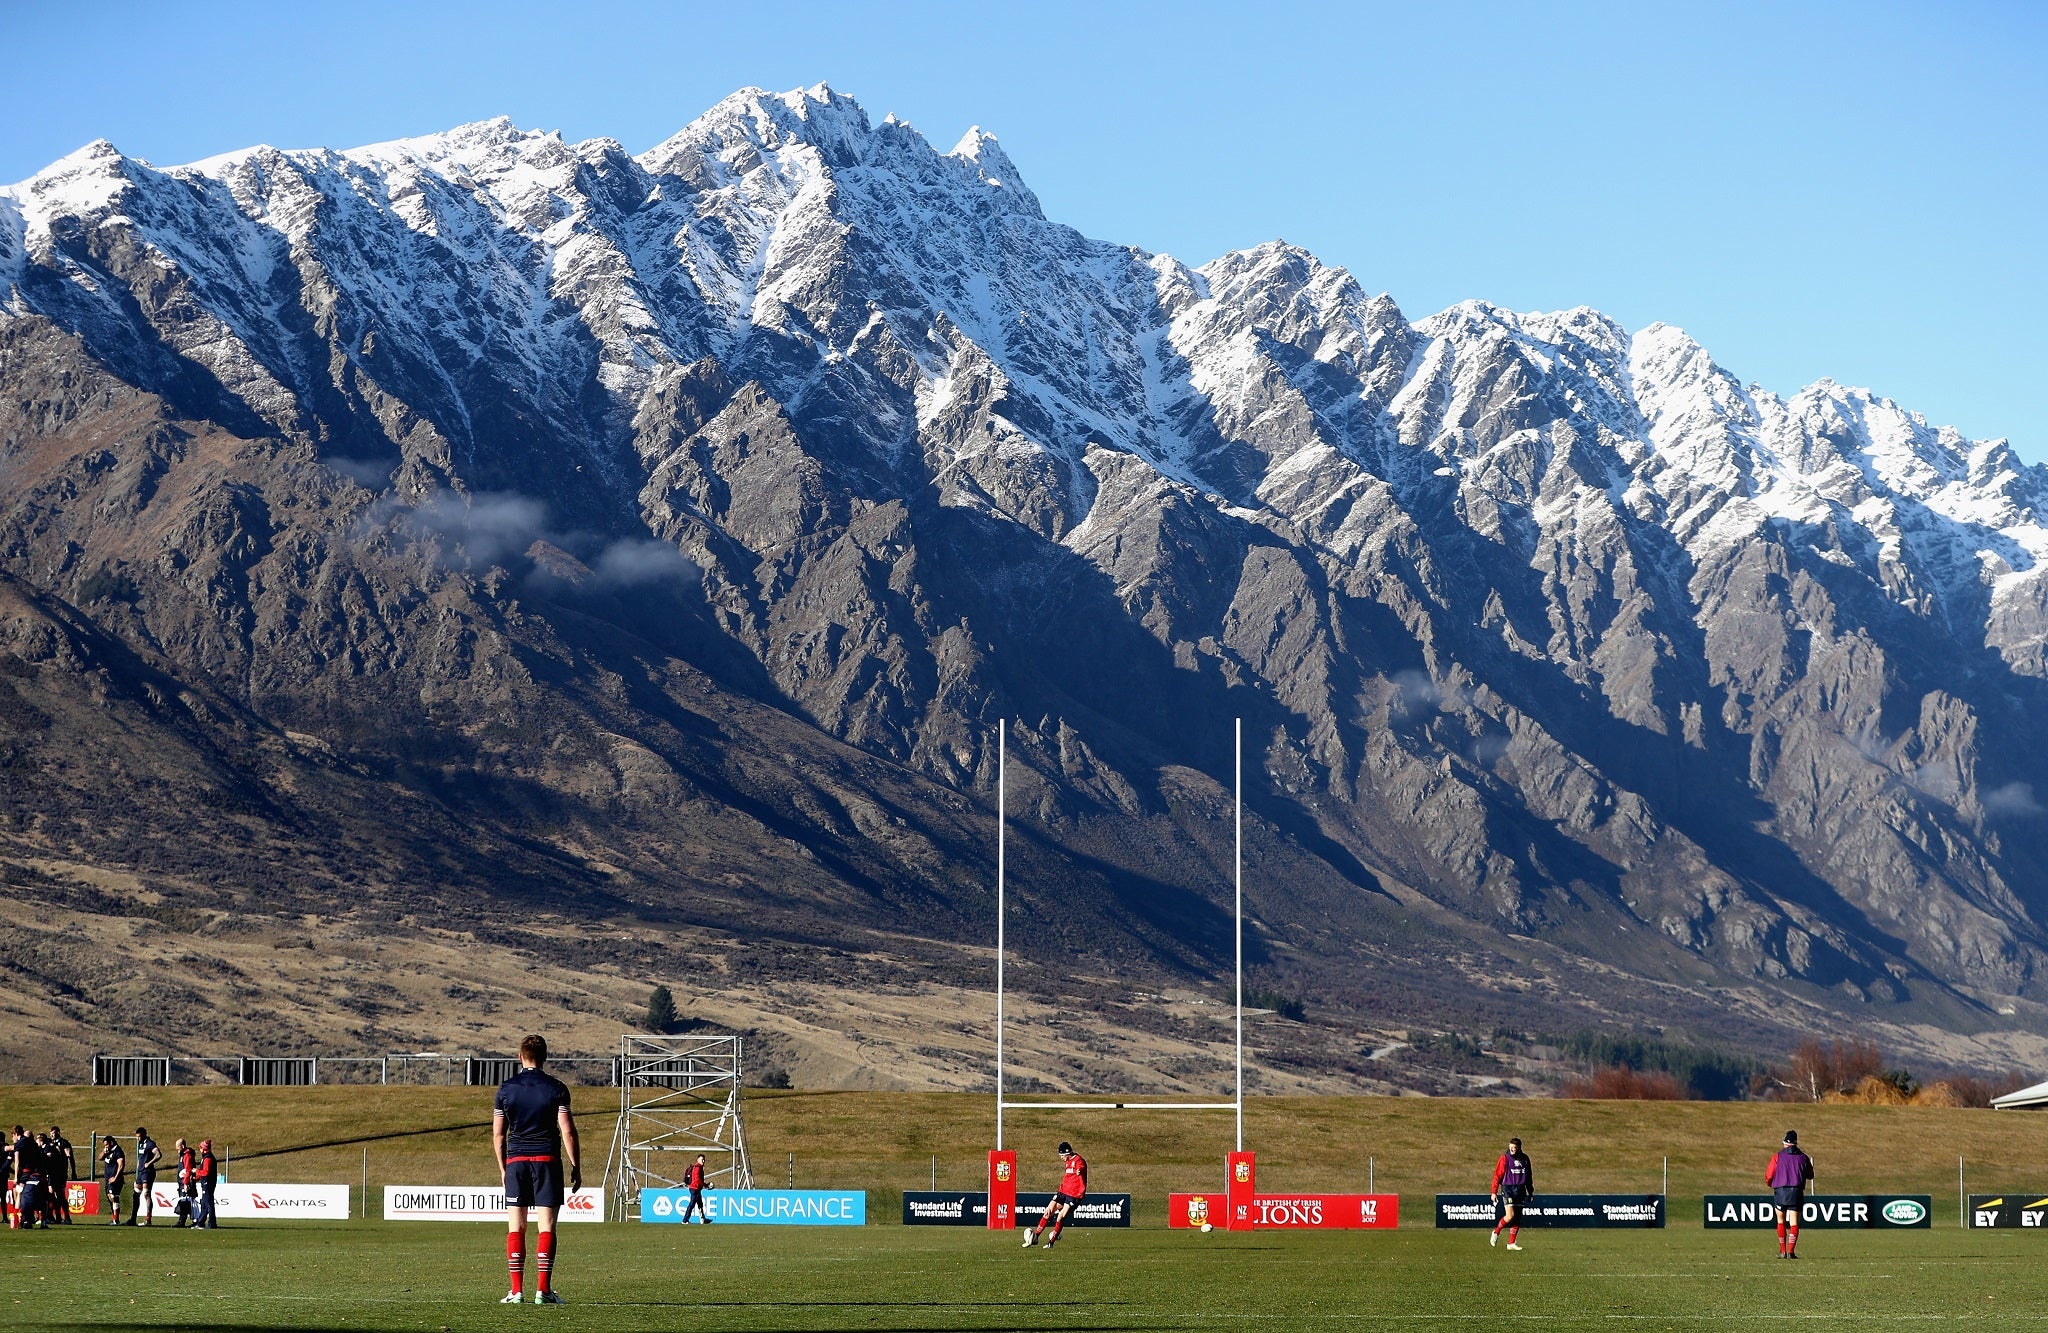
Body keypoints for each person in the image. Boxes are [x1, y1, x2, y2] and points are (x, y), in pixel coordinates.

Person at [493, 1034, 581, 1305]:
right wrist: (576, 1166)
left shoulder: (506, 1089)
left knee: (516, 1228)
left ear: (520, 1057)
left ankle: (516, 1292)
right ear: (545, 1058)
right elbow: (567, 1131)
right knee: (547, 1227)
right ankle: (543, 1291)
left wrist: (503, 1168)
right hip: (547, 1161)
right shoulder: (556, 1088)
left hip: (516, 1161)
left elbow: (498, 1135)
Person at [1021, 1141, 1087, 1251]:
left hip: (1074, 1195)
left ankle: (1051, 1243)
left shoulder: (1078, 1161)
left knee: (1061, 1216)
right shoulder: (1067, 1162)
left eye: (1062, 1155)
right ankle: (1036, 1237)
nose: (1061, 1158)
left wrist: (1079, 1171)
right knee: (1048, 1211)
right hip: (1063, 1191)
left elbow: (1081, 1167)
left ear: (1067, 1153)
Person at [1765, 1130, 1815, 1259]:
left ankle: (1783, 1251)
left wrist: (1770, 1183)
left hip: (1780, 1191)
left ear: (1785, 1143)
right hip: (1796, 1192)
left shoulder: (1778, 1156)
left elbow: (1769, 1174)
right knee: (1794, 1223)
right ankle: (1791, 1251)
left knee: (1780, 1220)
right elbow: (1811, 1175)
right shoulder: (1803, 1157)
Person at [1490, 1136, 1534, 1251]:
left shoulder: (1525, 1159)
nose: (1512, 1149)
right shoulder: (1504, 1159)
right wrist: (1494, 1192)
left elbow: (1529, 1176)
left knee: (1517, 1217)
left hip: (1520, 1189)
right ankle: (1496, 1232)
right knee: (1510, 1216)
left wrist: (1530, 1191)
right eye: (1511, 1147)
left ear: (1519, 1148)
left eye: (1514, 1147)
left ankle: (1511, 1243)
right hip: (1508, 1188)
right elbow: (1497, 1176)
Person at [130, 1127, 161, 1225]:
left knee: (146, 1194)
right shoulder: (141, 1144)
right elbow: (140, 1157)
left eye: (139, 1137)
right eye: (136, 1137)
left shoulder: (150, 1143)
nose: (137, 1139)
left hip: (148, 1172)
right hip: (141, 1172)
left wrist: (149, 1163)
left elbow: (158, 1154)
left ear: (144, 1135)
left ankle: (148, 1219)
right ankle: (133, 1219)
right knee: (136, 1194)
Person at [47, 1127, 74, 1224]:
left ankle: (67, 1217)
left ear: (58, 1132)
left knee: (60, 1195)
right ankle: (55, 1217)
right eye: (51, 1133)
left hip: (60, 1174)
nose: (52, 1134)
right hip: (51, 1173)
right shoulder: (49, 1142)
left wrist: (73, 1171)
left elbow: (70, 1157)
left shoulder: (64, 1143)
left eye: (54, 1133)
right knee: (51, 1195)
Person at [192, 1138, 219, 1230]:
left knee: (207, 1203)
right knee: (205, 1203)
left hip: (208, 1183)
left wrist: (196, 1171)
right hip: (207, 1182)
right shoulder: (207, 1157)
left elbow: (206, 1172)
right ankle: (202, 1222)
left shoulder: (207, 1158)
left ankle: (211, 1223)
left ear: (204, 1149)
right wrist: (195, 1178)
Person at [100, 1133, 127, 1225]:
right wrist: (104, 1151)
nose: (106, 1146)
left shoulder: (117, 1151)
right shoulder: (108, 1151)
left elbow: (121, 1164)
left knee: (113, 1196)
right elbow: (100, 1158)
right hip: (107, 1179)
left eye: (107, 1144)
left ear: (111, 1143)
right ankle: (115, 1218)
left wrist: (115, 1177)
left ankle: (116, 1219)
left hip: (114, 1179)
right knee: (109, 1198)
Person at [682, 1153, 713, 1223]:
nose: (703, 1161)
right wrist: (705, 1185)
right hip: (694, 1188)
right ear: (698, 1160)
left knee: (700, 1204)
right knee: (692, 1204)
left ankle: (703, 1219)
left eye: (704, 1160)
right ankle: (685, 1220)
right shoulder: (697, 1167)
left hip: (697, 1188)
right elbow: (697, 1179)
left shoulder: (699, 1167)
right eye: (702, 1160)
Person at [173, 1137, 195, 1228]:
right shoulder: (183, 1155)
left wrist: (186, 1183)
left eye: (177, 1147)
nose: (176, 1149)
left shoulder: (187, 1155)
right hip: (182, 1182)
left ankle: (182, 1221)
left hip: (185, 1182)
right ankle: (183, 1221)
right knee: (184, 1201)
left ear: (182, 1146)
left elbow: (188, 1170)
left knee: (185, 1201)